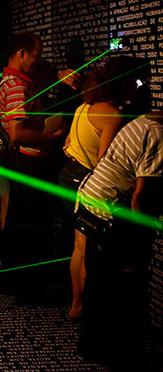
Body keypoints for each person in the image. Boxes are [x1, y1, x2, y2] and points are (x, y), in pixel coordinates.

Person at [76, 108, 162, 366]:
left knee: (97, 281)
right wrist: (142, 235)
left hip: (90, 204)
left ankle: (89, 347)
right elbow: (140, 196)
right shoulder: (159, 134)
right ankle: (121, 360)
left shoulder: (144, 120)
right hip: (110, 213)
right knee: (122, 289)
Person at [0, 32, 67, 301]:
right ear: (22, 53)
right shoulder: (15, 85)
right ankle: (29, 289)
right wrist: (50, 137)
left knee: (17, 221)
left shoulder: (7, 80)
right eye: (35, 55)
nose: (37, 61)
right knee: (32, 226)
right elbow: (17, 132)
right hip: (27, 161)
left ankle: (10, 280)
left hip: (19, 162)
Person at [58, 59, 129, 320]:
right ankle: (86, 307)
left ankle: (77, 304)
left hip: (69, 174)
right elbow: (105, 161)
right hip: (86, 182)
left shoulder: (83, 107)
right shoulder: (111, 113)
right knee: (90, 248)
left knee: (79, 246)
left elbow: (67, 142)